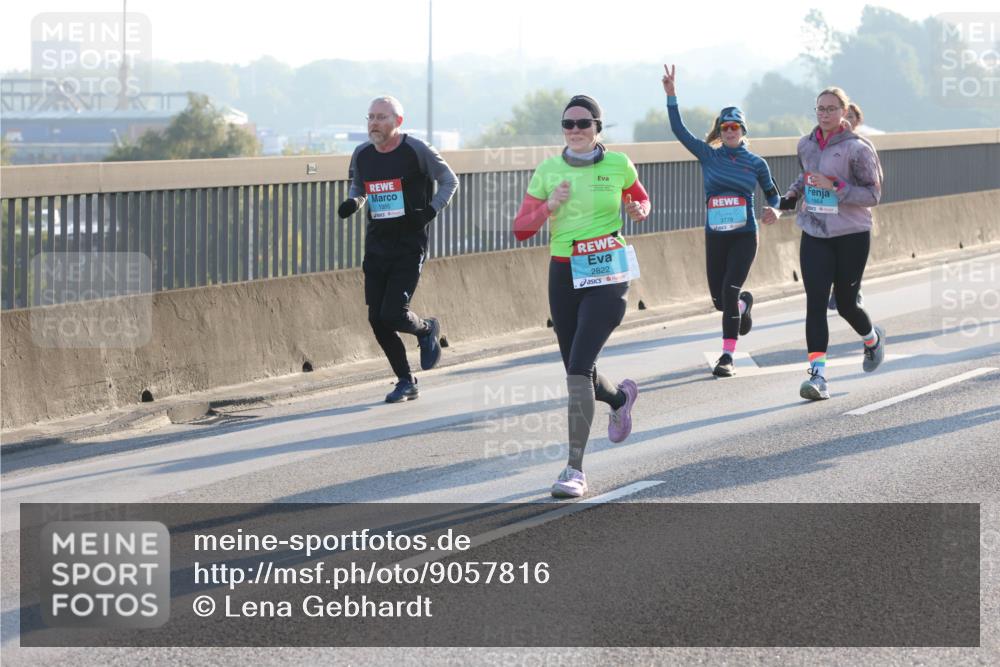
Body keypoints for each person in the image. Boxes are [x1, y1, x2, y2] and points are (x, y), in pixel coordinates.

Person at [512, 94, 650, 498]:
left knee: (577, 372)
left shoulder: (618, 164)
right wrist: (548, 207)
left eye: (583, 124)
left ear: (598, 128)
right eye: (568, 124)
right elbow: (521, 229)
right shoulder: (548, 170)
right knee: (579, 368)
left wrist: (640, 209)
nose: (575, 131)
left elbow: (639, 198)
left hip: (608, 269)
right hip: (564, 272)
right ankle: (620, 397)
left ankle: (574, 469)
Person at [661, 65, 780, 377]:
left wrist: (775, 210)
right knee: (719, 300)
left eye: (735, 127)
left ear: (743, 131)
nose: (730, 131)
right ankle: (742, 306)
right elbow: (679, 131)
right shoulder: (708, 155)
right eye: (725, 126)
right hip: (716, 235)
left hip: (744, 235)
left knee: (728, 289)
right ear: (719, 130)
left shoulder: (756, 163)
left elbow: (774, 195)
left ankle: (727, 357)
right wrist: (672, 96)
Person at [338, 96, 458, 403]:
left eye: (381, 117)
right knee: (377, 320)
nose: (374, 123)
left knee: (393, 313)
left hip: (409, 244)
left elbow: (449, 180)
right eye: (370, 117)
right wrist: (355, 201)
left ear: (398, 122)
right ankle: (406, 380)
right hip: (377, 244)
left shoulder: (416, 150)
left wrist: (430, 211)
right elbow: (360, 186)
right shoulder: (362, 153)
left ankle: (426, 329)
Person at [770, 87, 885, 400]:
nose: (825, 114)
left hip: (851, 234)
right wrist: (788, 198)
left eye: (831, 109)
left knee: (847, 305)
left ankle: (872, 339)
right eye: (820, 108)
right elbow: (805, 177)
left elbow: (873, 194)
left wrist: (836, 186)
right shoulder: (805, 144)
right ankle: (817, 377)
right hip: (815, 231)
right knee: (816, 303)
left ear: (844, 112)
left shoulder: (859, 148)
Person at [828, 100, 868, 311]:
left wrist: (840, 187)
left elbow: (871, 190)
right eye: (845, 116)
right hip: (831, 213)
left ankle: (853, 289)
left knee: (850, 260)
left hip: (855, 214)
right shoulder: (825, 145)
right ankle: (836, 290)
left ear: (858, 121)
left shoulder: (862, 148)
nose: (847, 120)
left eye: (851, 117)